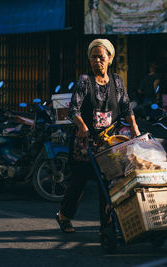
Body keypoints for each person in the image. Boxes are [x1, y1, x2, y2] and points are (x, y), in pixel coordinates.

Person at [55, 39, 140, 233]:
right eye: (93, 58)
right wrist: (82, 126)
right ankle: (64, 216)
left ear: (110, 59)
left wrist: (134, 127)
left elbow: (126, 106)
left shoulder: (117, 81)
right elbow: (73, 110)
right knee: (78, 183)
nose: (97, 61)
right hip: (85, 143)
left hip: (109, 142)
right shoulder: (84, 81)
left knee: (107, 182)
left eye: (101, 58)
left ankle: (107, 226)